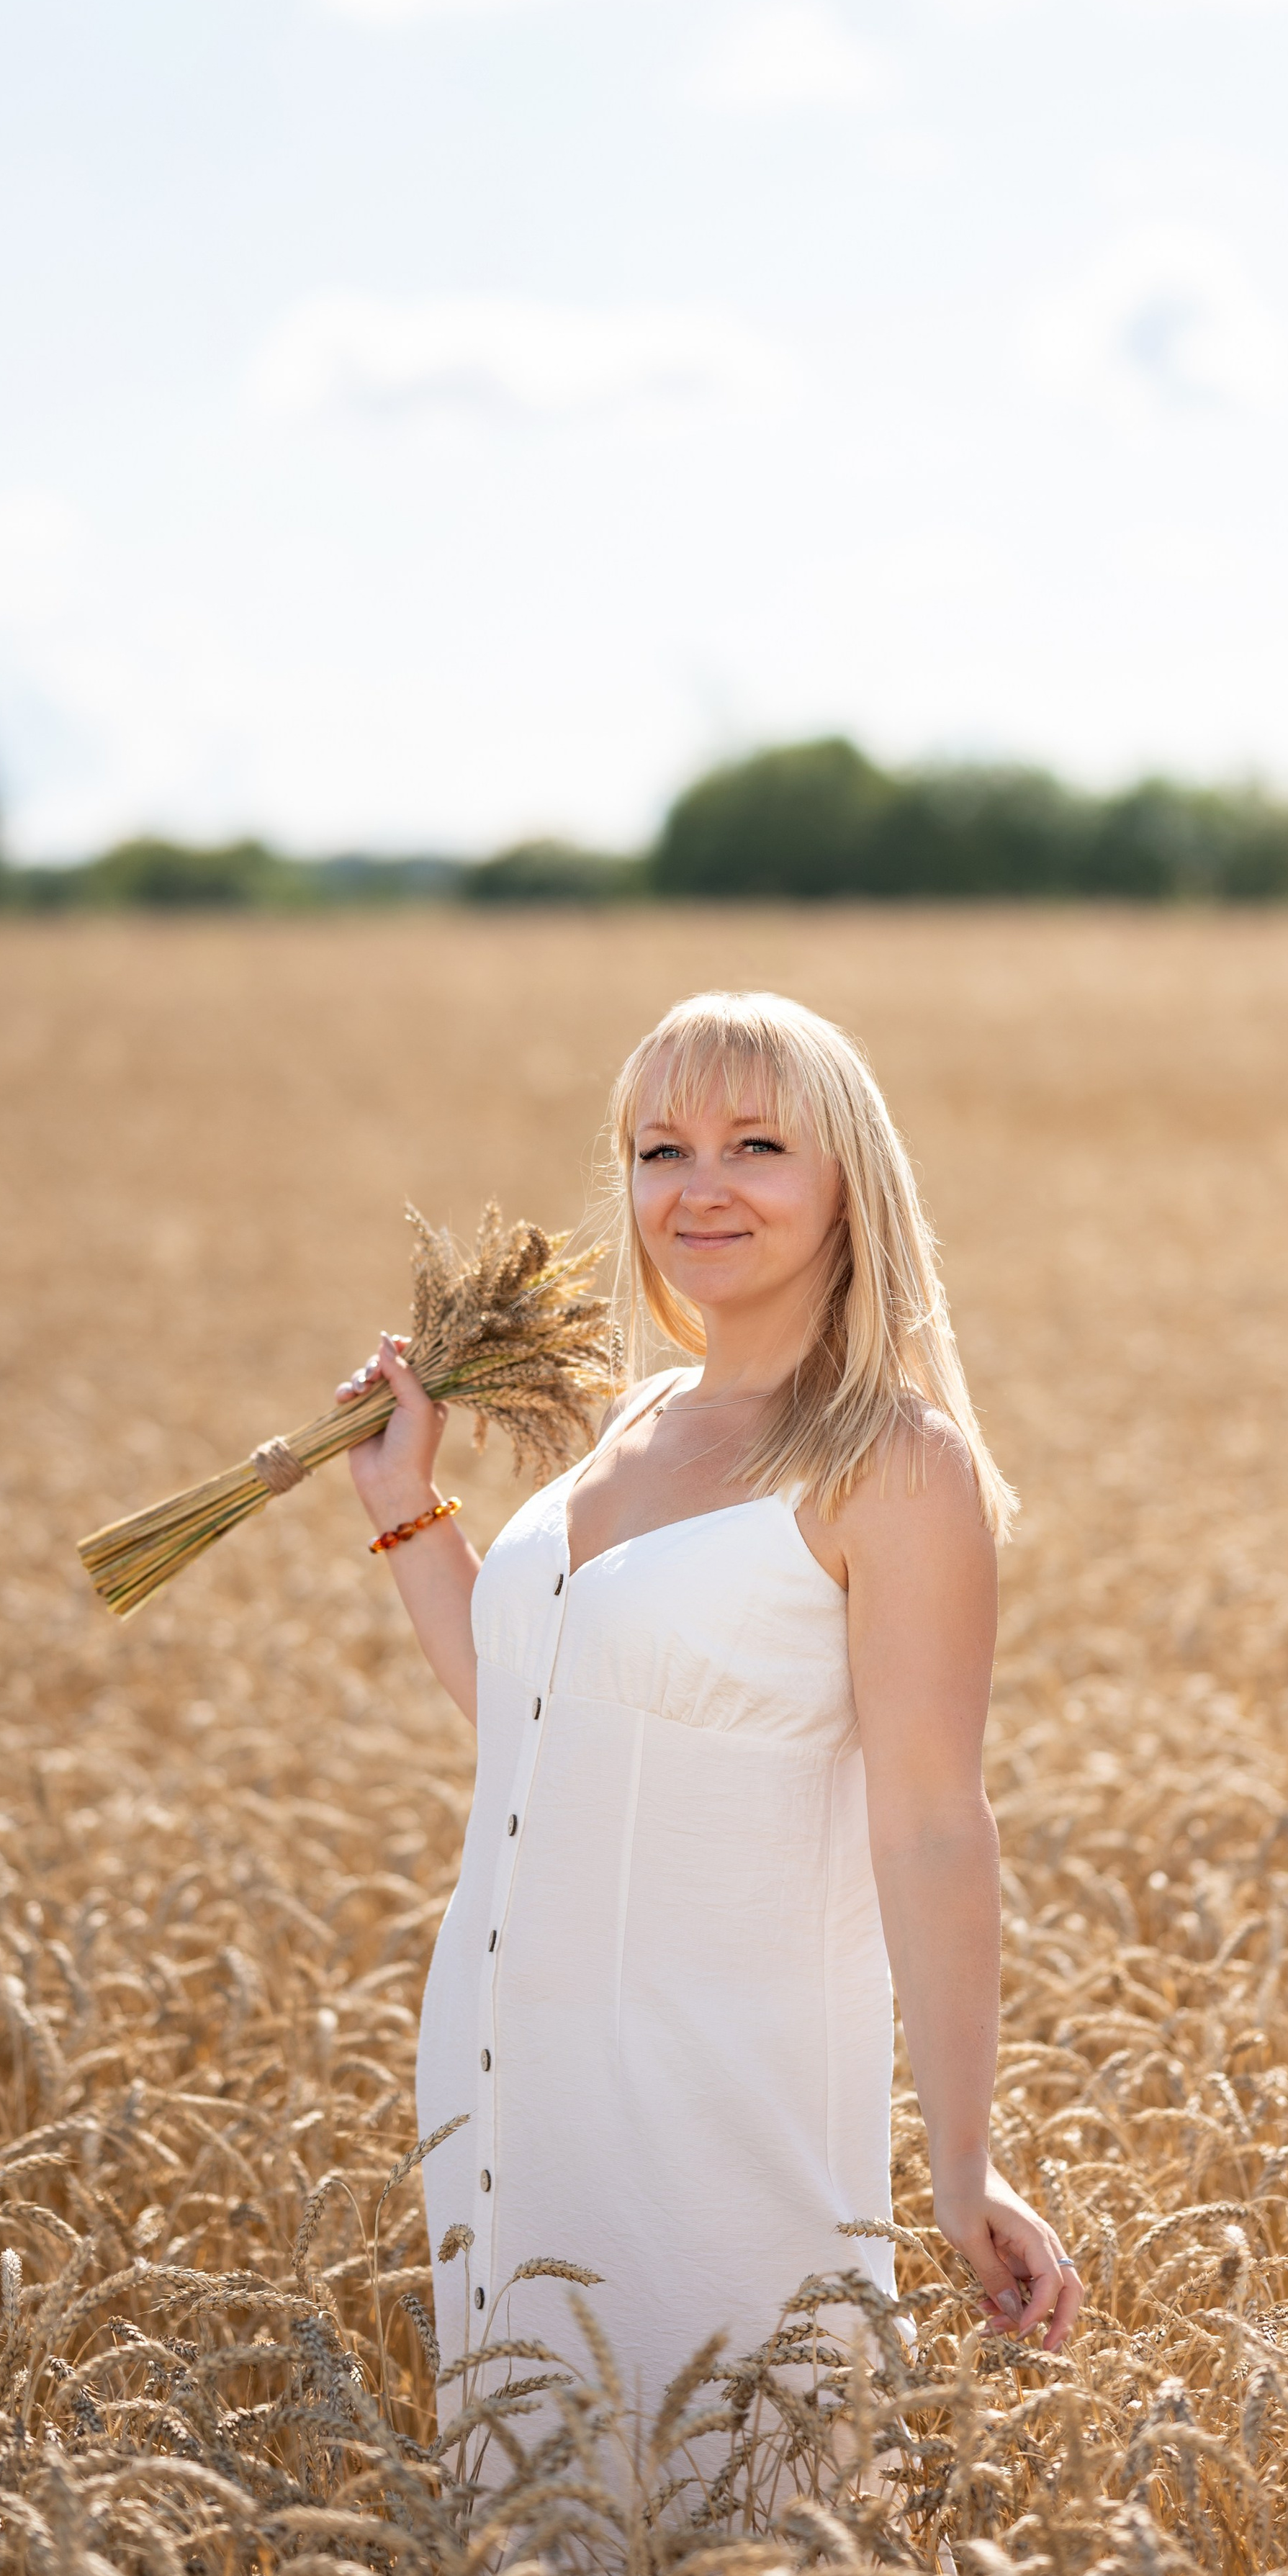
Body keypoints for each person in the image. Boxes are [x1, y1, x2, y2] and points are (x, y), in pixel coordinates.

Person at [334, 988, 1081, 2440]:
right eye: (658, 1149)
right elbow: (539, 1724)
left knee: (735, 2518)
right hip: (505, 2084)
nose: (700, 1186)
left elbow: (931, 1821)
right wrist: (407, 1511)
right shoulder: (633, 1421)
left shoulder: (889, 1463)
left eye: (755, 1144)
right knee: (538, 2533)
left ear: (846, 1180)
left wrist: (960, 2160)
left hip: (716, 2094)